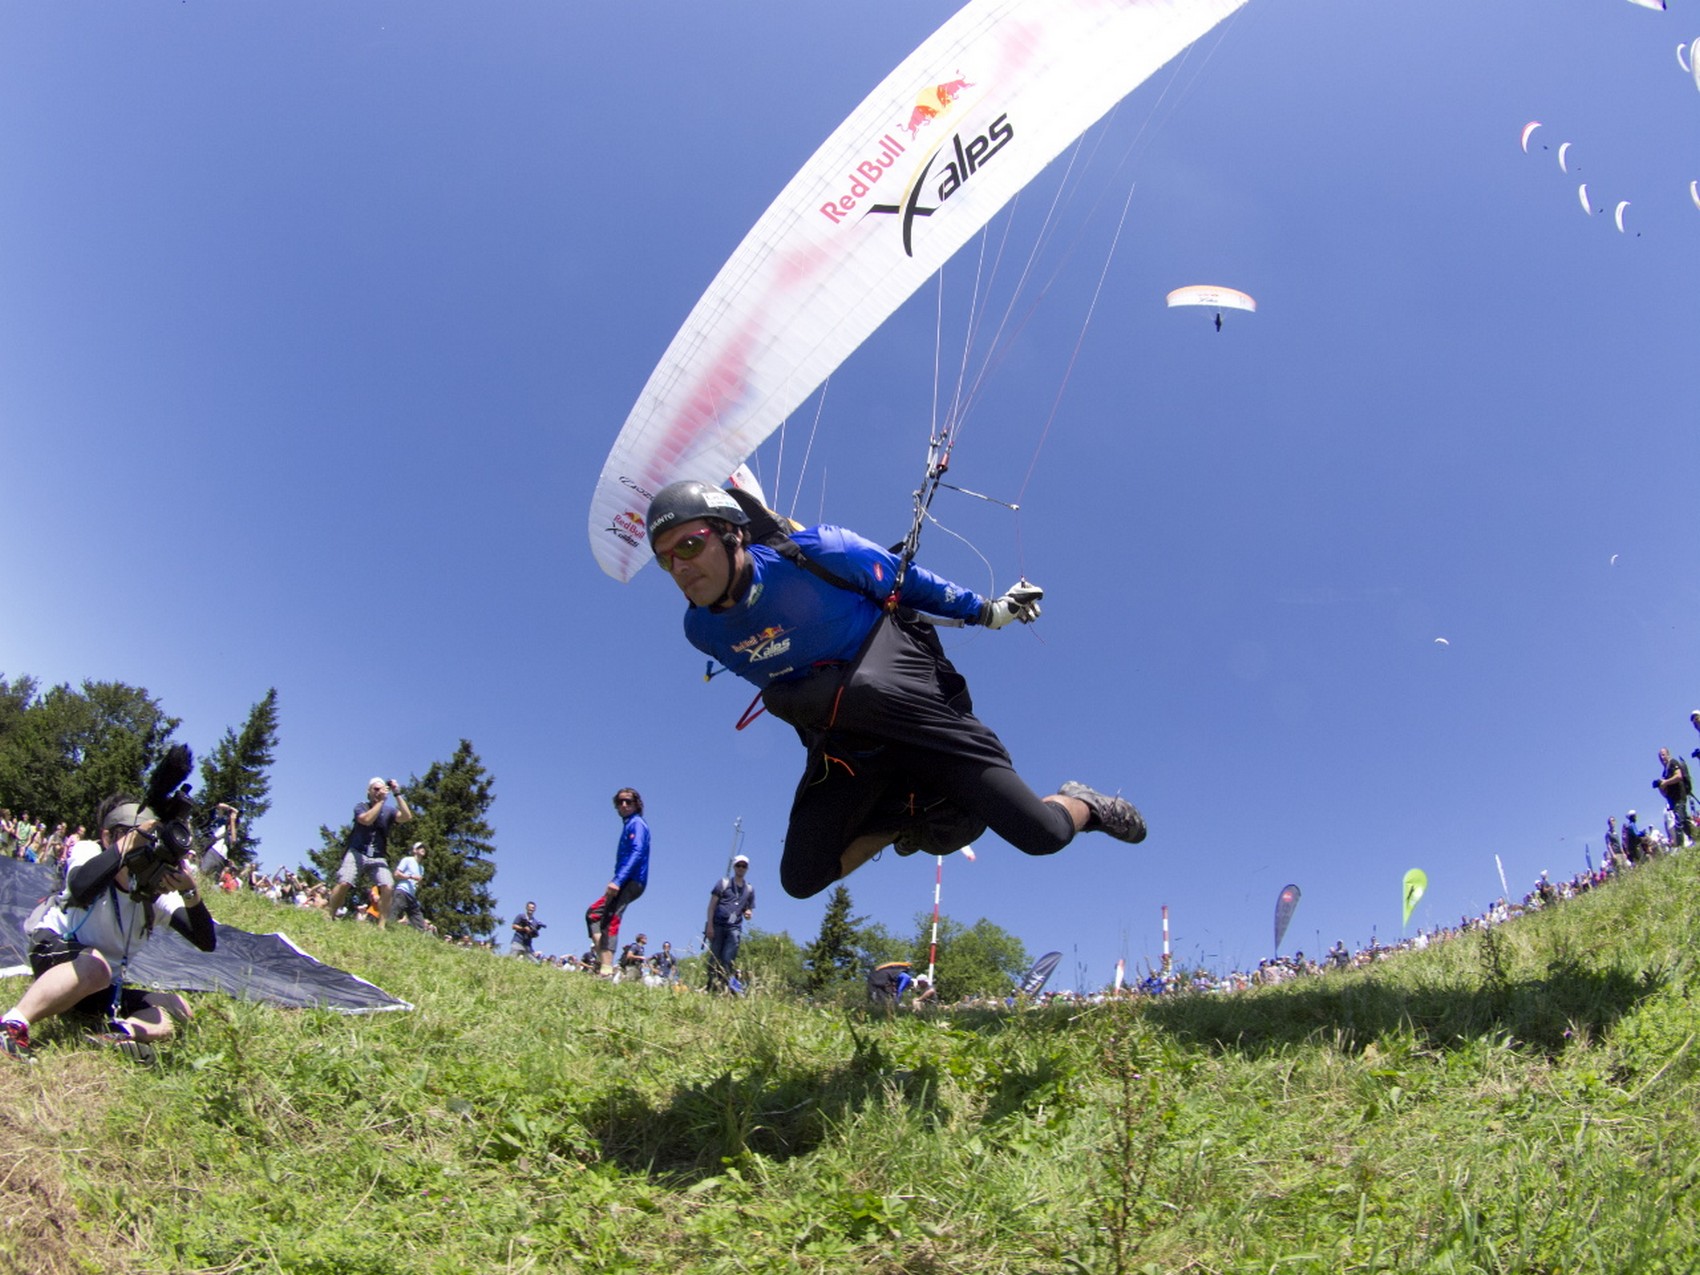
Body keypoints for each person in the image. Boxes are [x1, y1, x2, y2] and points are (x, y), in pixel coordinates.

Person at [643, 480, 1147, 901]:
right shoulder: (702, 631)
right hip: (849, 745)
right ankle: (900, 818)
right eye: (666, 560)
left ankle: (1084, 802)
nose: (680, 567)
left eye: (689, 545)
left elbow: (910, 583)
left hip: (917, 715)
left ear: (733, 534)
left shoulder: (821, 553)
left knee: (1044, 835)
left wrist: (989, 612)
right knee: (801, 879)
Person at [1, 790, 215, 1064]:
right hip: (56, 956)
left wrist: (190, 892)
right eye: (128, 833)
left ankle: (115, 1034)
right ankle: (13, 1024)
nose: (140, 844)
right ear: (107, 837)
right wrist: (124, 848)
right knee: (97, 966)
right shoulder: (90, 851)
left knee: (179, 1007)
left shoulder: (152, 891)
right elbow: (80, 887)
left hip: (103, 987)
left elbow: (206, 941)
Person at [324, 777, 413, 929]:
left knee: (387, 886)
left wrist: (397, 793)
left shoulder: (388, 811)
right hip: (357, 852)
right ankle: (330, 913)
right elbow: (366, 820)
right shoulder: (361, 806)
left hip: (378, 856)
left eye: (381, 789)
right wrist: (381, 802)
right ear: (369, 792)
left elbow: (406, 816)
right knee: (345, 881)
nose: (378, 792)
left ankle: (381, 925)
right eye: (375, 789)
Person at [586, 788, 649, 976]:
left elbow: (637, 852)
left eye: (628, 801)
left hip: (631, 880)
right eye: (620, 801)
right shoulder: (629, 824)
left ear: (636, 804)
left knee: (611, 918)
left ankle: (606, 970)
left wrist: (618, 880)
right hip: (624, 879)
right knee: (593, 914)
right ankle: (604, 962)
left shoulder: (637, 824)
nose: (624, 805)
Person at [704, 853, 756, 993]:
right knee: (715, 957)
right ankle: (711, 986)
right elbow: (711, 906)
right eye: (739, 865)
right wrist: (710, 926)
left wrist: (748, 913)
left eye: (744, 866)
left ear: (747, 868)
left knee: (728, 957)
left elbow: (748, 909)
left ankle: (723, 987)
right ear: (734, 867)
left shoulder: (749, 889)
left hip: (734, 927)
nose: (741, 868)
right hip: (718, 925)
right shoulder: (723, 883)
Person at [1655, 748, 1693, 846]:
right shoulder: (1664, 772)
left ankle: (1680, 846)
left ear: (1668, 754)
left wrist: (1666, 782)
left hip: (1680, 796)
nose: (1662, 758)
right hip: (1673, 800)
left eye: (1663, 755)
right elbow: (1665, 793)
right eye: (1660, 757)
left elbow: (1679, 776)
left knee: (1678, 821)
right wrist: (1660, 786)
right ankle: (1692, 838)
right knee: (1684, 820)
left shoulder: (1673, 763)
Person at [391, 842, 427, 930]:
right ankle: (384, 928)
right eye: (420, 847)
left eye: (424, 848)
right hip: (402, 891)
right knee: (393, 913)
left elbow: (417, 883)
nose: (423, 849)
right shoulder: (407, 860)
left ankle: (422, 934)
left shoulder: (421, 868)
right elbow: (396, 874)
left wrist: (420, 883)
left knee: (418, 918)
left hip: (412, 895)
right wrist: (411, 876)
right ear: (414, 850)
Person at [200, 802, 239, 878]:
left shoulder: (231, 835)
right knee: (203, 872)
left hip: (222, 858)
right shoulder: (222, 825)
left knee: (214, 879)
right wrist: (232, 809)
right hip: (213, 852)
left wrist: (233, 820)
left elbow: (234, 840)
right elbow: (220, 805)